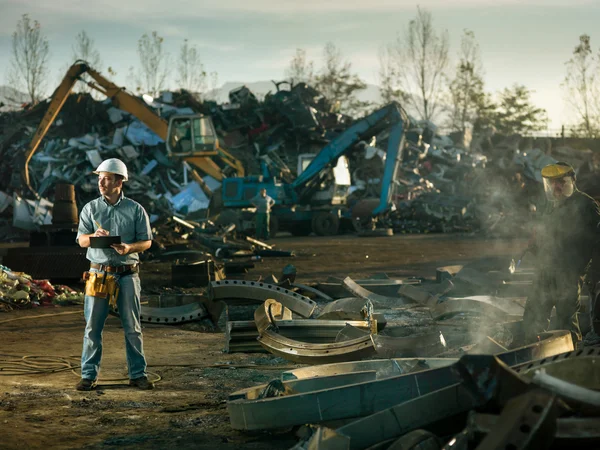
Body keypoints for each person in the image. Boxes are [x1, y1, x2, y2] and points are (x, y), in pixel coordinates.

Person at [75, 158, 154, 391]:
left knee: (132, 327)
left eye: (107, 179)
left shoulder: (135, 209)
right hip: (98, 274)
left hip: (128, 274)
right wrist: (94, 237)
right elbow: (81, 241)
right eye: (99, 178)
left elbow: (147, 242)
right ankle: (88, 376)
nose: (101, 183)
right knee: (92, 327)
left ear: (120, 182)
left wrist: (129, 248)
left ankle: (137, 374)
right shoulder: (90, 209)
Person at [522, 162, 600, 347]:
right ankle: (533, 356)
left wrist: (593, 272)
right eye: (552, 183)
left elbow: (598, 242)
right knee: (533, 317)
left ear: (573, 180)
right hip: (545, 270)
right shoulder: (549, 206)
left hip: (569, 273)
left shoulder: (586, 205)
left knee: (566, 321)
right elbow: (544, 234)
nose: (556, 187)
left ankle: (570, 359)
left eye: (561, 182)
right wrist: (534, 247)